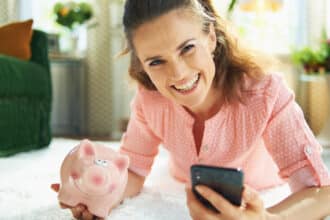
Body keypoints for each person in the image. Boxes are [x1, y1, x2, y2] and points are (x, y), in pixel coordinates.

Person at [51, 0, 330, 219]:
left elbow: (321, 191)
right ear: (141, 65)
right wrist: (102, 195)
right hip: (180, 178)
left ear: (210, 36)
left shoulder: (266, 93)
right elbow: (133, 171)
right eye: (156, 62)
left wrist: (268, 219)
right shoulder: (149, 100)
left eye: (187, 48)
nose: (179, 73)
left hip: (264, 185)